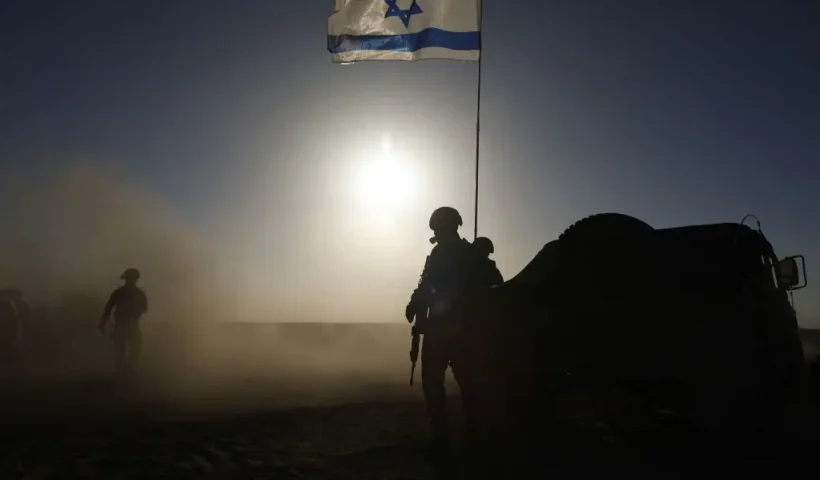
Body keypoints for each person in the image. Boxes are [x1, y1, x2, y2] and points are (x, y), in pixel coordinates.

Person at [405, 207, 484, 451]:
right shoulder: (464, 253)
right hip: (457, 329)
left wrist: (418, 301)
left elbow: (430, 285)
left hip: (451, 329)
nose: (438, 234)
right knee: (457, 381)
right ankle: (463, 432)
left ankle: (454, 434)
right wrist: (416, 301)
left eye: (439, 229)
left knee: (449, 381)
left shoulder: (458, 254)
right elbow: (427, 284)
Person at [98, 268, 148, 377]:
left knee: (133, 347)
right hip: (123, 325)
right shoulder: (130, 293)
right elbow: (108, 308)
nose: (130, 281)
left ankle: (127, 369)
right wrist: (103, 322)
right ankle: (124, 371)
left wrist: (103, 322)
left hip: (129, 325)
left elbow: (143, 309)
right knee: (124, 349)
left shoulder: (123, 292)